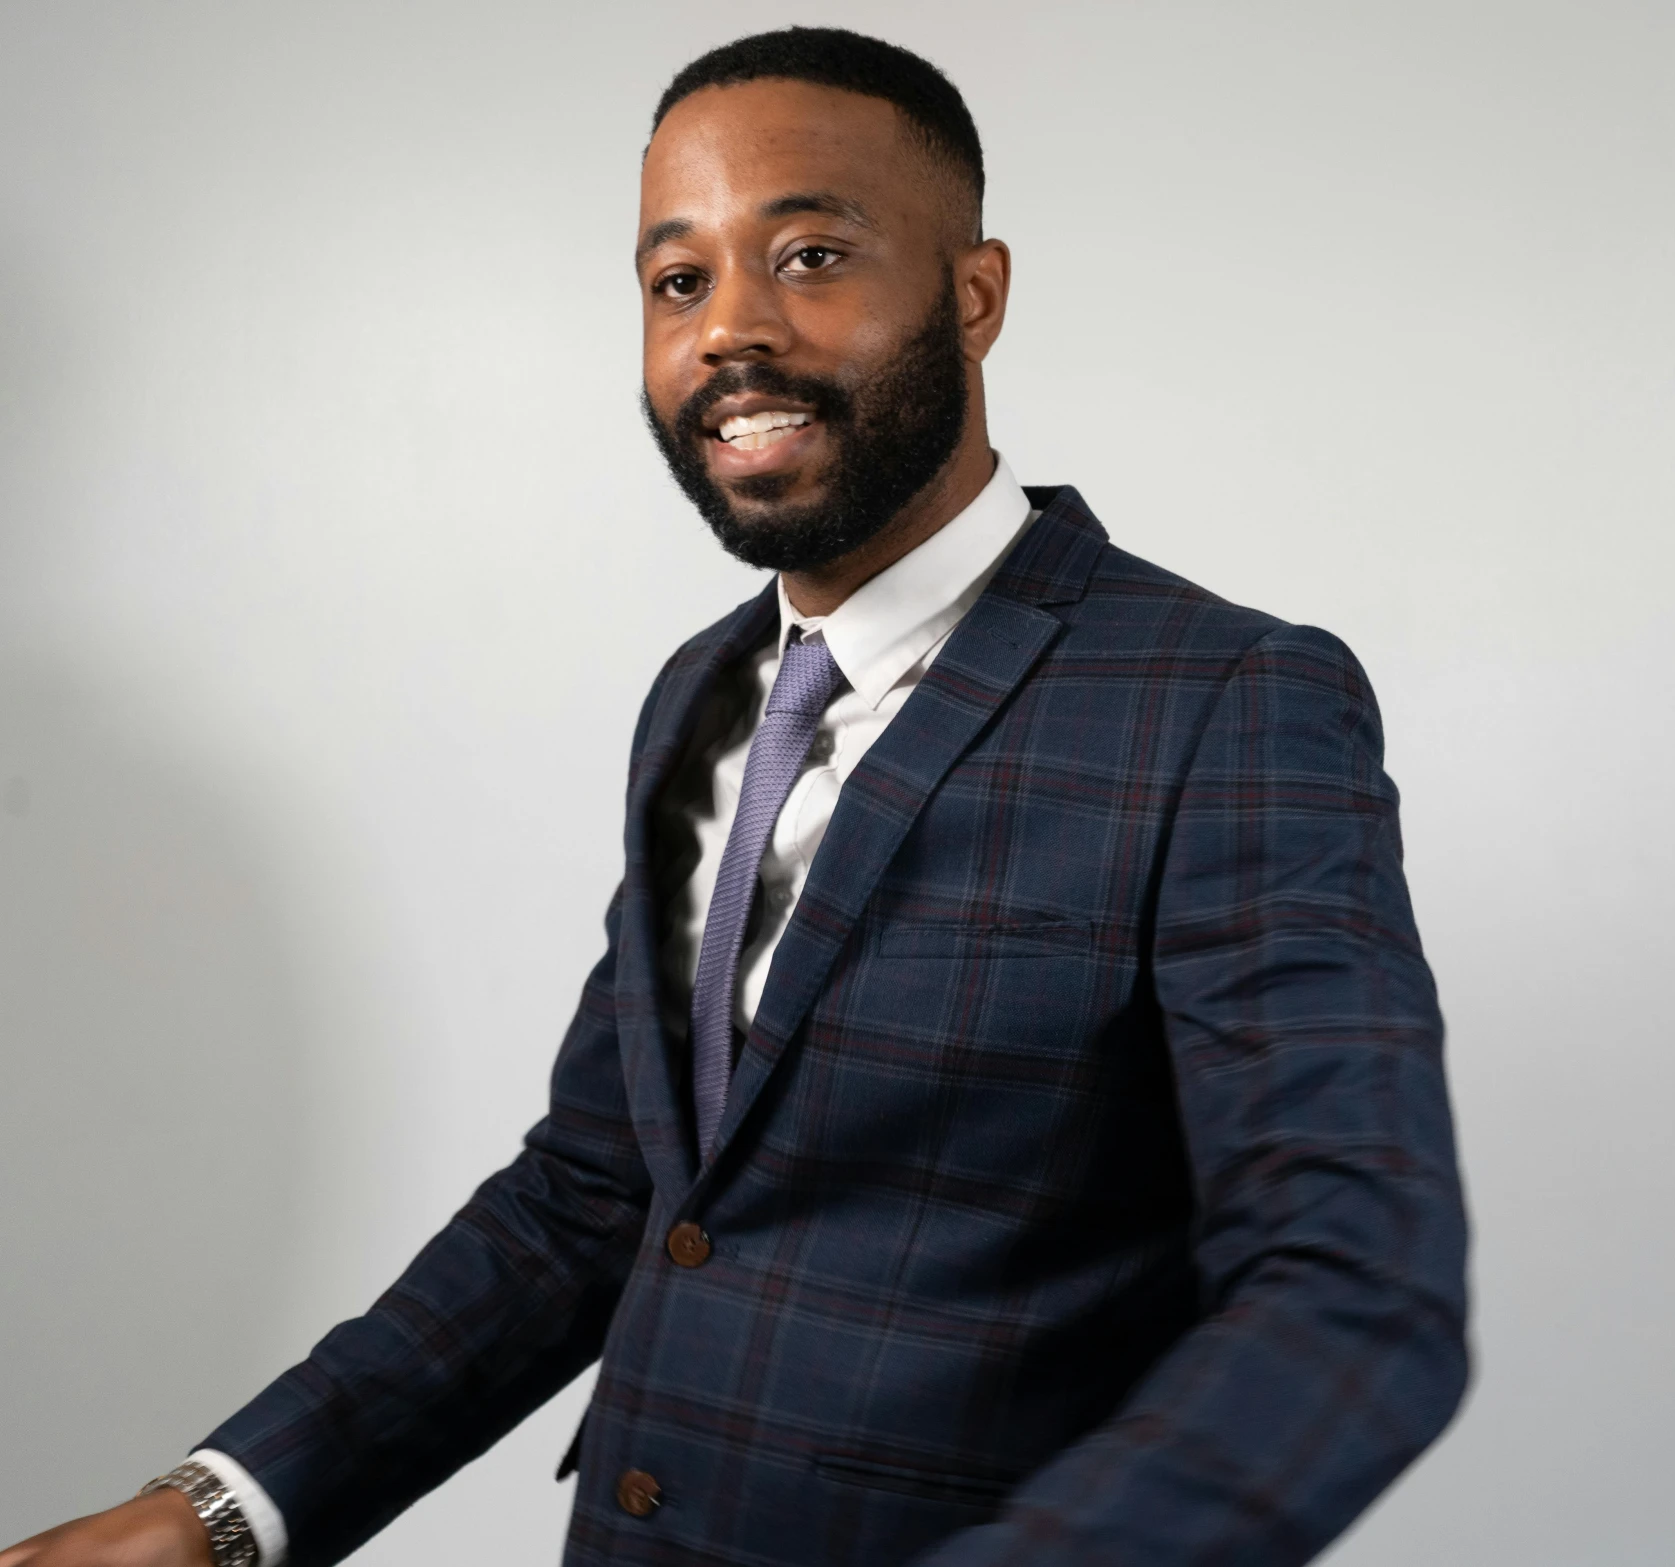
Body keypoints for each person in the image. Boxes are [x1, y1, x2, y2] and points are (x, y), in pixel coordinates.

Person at [1, 27, 1468, 1567]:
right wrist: (224, 1507)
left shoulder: (1224, 699)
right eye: (678, 281)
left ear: (975, 295)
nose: (729, 332)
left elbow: (1350, 1289)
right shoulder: (705, 698)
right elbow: (597, 1191)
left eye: (812, 254)